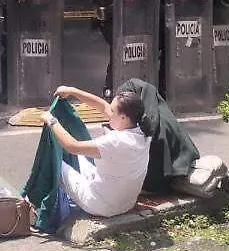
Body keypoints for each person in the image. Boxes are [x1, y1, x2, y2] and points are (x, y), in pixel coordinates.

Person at [37, 86, 150, 219]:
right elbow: (102, 106)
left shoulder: (116, 141)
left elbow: (72, 146)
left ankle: (39, 207)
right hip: (126, 203)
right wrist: (72, 91)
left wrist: (51, 120)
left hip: (100, 205)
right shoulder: (142, 132)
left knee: (55, 162)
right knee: (80, 157)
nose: (109, 112)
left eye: (112, 111)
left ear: (124, 117)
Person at [93, 0, 154, 98]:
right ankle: (110, 87)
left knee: (130, 50)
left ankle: (131, 85)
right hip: (109, 18)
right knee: (118, 49)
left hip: (130, 18)